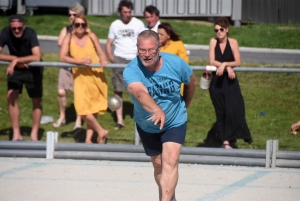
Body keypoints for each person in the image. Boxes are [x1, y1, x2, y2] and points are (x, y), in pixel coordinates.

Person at [123, 30, 196, 201]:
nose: (146, 55)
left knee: (170, 161)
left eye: (150, 50)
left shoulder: (176, 64)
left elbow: (191, 82)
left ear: (159, 48)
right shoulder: (131, 70)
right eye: (142, 50)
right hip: (147, 124)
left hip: (174, 121)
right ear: (137, 49)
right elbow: (139, 92)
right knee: (159, 166)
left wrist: (186, 104)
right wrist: (156, 110)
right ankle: (170, 198)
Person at [60, 15, 109, 144]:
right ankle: (101, 131)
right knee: (81, 108)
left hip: (95, 75)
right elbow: (63, 57)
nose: (80, 27)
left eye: (83, 24)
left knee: (92, 108)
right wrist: (79, 61)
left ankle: (89, 139)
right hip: (80, 77)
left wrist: (103, 59)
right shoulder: (68, 38)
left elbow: (101, 52)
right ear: (73, 26)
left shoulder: (92, 36)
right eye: (77, 25)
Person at [208, 17, 252, 149]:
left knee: (235, 109)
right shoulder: (213, 42)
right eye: (216, 30)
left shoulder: (233, 42)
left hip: (230, 82)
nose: (219, 32)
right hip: (217, 82)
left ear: (227, 29)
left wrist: (226, 65)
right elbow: (212, 61)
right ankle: (225, 141)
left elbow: (237, 62)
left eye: (221, 29)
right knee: (220, 112)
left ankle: (234, 137)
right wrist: (225, 67)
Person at [0, 15, 43, 141]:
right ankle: (16, 134)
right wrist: (14, 60)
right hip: (17, 68)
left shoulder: (30, 33)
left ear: (24, 26)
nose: (17, 31)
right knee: (11, 96)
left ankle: (34, 135)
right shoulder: (5, 32)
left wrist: (18, 60)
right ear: (10, 27)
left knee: (36, 100)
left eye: (19, 28)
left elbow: (37, 56)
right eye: (14, 29)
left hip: (33, 68)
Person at [105, 0, 145, 130]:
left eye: (129, 12)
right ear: (120, 12)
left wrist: (139, 56)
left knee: (137, 90)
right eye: (125, 12)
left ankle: (141, 119)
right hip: (119, 59)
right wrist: (111, 57)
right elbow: (108, 43)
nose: (127, 14)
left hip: (134, 60)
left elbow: (143, 41)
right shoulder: (115, 24)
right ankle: (120, 120)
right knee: (118, 90)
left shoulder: (138, 24)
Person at [54, 2, 85, 129]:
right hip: (66, 65)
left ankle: (78, 120)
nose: (71, 17)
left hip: (80, 66)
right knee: (61, 92)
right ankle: (62, 117)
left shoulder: (84, 30)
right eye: (70, 15)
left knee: (79, 94)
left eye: (74, 15)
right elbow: (60, 43)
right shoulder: (66, 30)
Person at [158, 22, 189, 96]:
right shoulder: (156, 46)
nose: (158, 36)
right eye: (157, 34)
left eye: (161, 34)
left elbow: (185, 62)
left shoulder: (178, 44)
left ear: (168, 35)